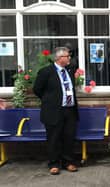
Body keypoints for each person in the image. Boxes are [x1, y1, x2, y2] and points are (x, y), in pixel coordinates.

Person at [33, 47, 79, 175]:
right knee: (54, 138)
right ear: (59, 58)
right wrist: (50, 100)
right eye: (67, 56)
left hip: (69, 110)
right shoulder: (46, 72)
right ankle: (54, 164)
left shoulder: (69, 70)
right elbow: (37, 89)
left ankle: (68, 162)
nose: (69, 58)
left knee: (69, 137)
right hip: (54, 110)